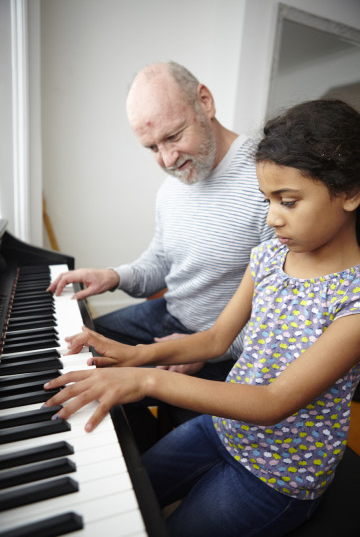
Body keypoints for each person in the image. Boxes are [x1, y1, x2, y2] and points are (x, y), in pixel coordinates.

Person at [44, 98, 360, 536]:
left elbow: (273, 403)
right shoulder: (270, 256)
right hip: (223, 429)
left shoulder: (354, 300)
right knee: (127, 495)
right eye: (267, 200)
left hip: (279, 473)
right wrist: (135, 355)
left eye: (287, 201)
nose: (272, 218)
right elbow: (214, 340)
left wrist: (147, 380)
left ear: (349, 193)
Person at [47, 61, 273, 448]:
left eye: (173, 137)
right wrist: (114, 276)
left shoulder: (270, 180)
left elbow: (279, 316)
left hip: (233, 350)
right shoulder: (173, 187)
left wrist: (203, 347)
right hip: (172, 315)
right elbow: (160, 264)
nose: (167, 160)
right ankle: (138, 446)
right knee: (79, 352)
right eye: (152, 148)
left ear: (205, 102)